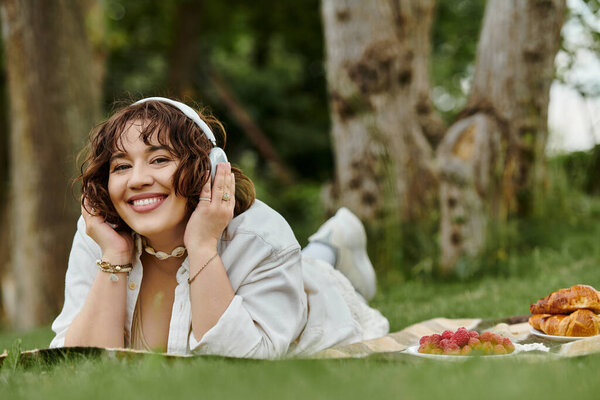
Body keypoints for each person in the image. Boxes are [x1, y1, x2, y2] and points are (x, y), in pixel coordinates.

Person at [50, 97, 389, 358]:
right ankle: (329, 245)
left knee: (318, 273)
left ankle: (333, 244)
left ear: (208, 169)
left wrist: (202, 246)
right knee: (313, 259)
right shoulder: (99, 234)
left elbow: (243, 363)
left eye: (160, 159)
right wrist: (116, 255)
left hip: (315, 299)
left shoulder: (263, 237)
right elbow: (80, 363)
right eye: (121, 166)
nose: (138, 180)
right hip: (282, 272)